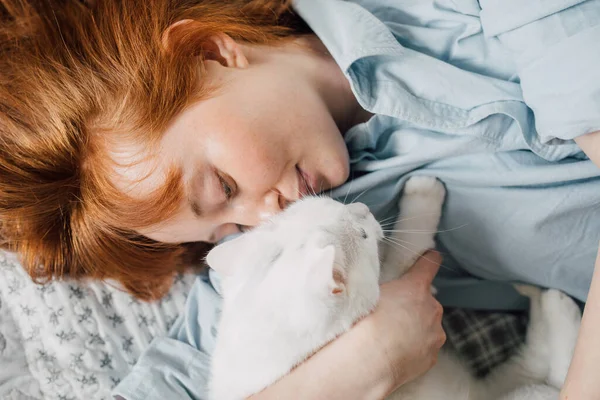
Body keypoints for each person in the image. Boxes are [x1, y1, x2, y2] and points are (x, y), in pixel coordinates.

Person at [1, 0, 599, 398]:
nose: (265, 217)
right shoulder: (305, 242)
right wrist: (359, 370)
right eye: (226, 232)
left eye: (224, 188)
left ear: (209, 52)